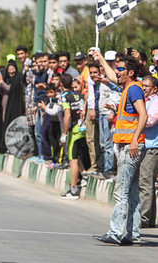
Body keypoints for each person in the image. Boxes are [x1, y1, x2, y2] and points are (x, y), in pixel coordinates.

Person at [93, 56, 147, 245]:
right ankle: (133, 234)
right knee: (132, 193)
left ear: (130, 73)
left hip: (131, 147)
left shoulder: (133, 90)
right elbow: (111, 75)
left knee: (121, 192)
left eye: (121, 69)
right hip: (130, 146)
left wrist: (133, 140)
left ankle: (115, 232)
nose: (117, 71)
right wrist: (100, 58)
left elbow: (144, 115)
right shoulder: (128, 87)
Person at [60, 74, 90, 200]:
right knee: (77, 156)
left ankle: (73, 190)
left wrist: (64, 134)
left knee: (72, 160)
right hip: (83, 129)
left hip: (74, 131)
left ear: (61, 85)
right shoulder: (78, 94)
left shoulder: (65, 96)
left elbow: (67, 116)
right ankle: (84, 175)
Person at [0, 61, 25, 154]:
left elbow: (10, 89)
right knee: (3, 124)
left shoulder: (18, 79)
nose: (11, 74)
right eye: (9, 71)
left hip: (14, 107)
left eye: (13, 71)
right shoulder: (6, 78)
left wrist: (1, 82)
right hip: (4, 105)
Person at [139, 75, 158, 228]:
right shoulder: (145, 101)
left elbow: (150, 120)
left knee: (146, 183)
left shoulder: (156, 102)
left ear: (155, 88)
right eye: (142, 85)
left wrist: (136, 122)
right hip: (144, 145)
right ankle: (150, 219)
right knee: (146, 182)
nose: (143, 88)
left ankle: (144, 219)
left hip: (152, 147)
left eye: (146, 86)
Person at [38, 84, 62, 168]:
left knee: (57, 142)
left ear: (55, 92)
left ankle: (58, 160)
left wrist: (45, 109)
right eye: (47, 93)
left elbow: (54, 111)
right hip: (52, 122)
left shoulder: (59, 99)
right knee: (52, 140)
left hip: (58, 123)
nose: (49, 95)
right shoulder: (50, 101)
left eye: (51, 92)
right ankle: (52, 159)